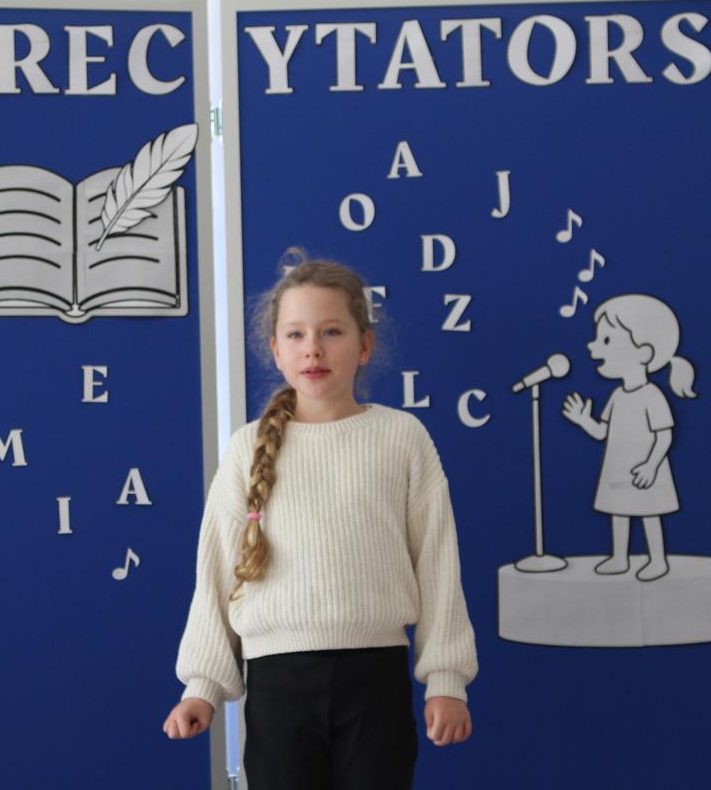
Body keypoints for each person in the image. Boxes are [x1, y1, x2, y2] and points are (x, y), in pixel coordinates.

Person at [163, 256, 477, 789]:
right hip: (277, 685)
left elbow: (438, 562)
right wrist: (202, 685)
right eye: (296, 334)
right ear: (276, 350)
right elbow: (216, 571)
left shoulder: (402, 437)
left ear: (364, 345)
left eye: (332, 331)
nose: (313, 348)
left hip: (376, 681)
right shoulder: (246, 449)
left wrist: (447, 679)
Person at [562, 294, 697, 582]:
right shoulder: (617, 395)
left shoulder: (652, 395)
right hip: (617, 467)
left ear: (644, 353)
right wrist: (584, 420)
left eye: (607, 340)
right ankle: (619, 557)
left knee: (649, 512)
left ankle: (657, 559)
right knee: (618, 510)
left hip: (645, 470)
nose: (593, 346)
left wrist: (651, 465)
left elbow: (664, 435)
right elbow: (602, 432)